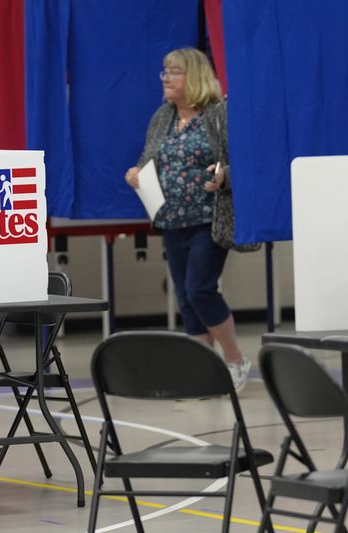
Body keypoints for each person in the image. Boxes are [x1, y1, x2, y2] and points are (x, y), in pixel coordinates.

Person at [125, 48, 251, 390]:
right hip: (171, 219)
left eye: (174, 72)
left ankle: (235, 359)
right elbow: (149, 156)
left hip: (208, 218)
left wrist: (225, 176)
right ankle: (203, 371)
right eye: (164, 72)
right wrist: (137, 172)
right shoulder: (162, 117)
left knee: (200, 289)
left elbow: (243, 159)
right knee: (185, 295)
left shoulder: (219, 114)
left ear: (193, 77)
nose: (165, 78)